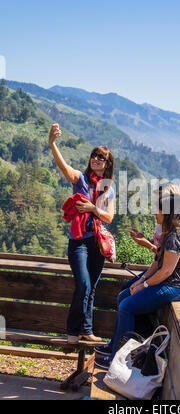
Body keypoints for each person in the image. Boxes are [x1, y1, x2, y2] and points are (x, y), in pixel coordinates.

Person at [94, 193, 180, 369]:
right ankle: (114, 346)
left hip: (177, 287)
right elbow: (157, 264)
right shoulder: (170, 234)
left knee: (127, 306)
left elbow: (166, 271)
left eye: (157, 209)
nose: (154, 213)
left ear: (168, 213)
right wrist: (140, 280)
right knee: (122, 297)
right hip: (168, 283)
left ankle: (117, 359)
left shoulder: (176, 236)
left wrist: (144, 285)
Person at [49, 124, 115, 344]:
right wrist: (52, 144)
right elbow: (64, 167)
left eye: (101, 157)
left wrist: (93, 209)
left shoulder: (108, 189)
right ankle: (72, 330)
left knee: (92, 288)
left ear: (107, 164)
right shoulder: (80, 179)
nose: (95, 159)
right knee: (84, 285)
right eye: (94, 155)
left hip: (96, 242)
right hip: (78, 242)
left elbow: (109, 217)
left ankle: (87, 329)